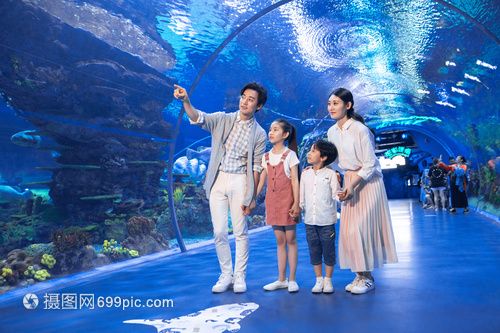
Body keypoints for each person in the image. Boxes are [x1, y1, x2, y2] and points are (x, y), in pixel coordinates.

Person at [173, 82, 267, 293]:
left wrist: (252, 196)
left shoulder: (260, 134)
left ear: (258, 106)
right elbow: (198, 117)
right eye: (243, 96)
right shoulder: (223, 119)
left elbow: (256, 166)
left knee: (241, 231)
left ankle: (240, 276)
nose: (245, 101)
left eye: (251, 99)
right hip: (218, 180)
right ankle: (226, 274)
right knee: (219, 231)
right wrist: (186, 100)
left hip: (241, 182)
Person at [326, 87, 398, 295]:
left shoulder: (360, 129)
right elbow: (335, 163)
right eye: (329, 103)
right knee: (349, 231)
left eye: (336, 103)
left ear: (348, 106)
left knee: (361, 229)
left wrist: (352, 184)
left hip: (368, 182)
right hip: (349, 179)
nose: (331, 107)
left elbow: (369, 164)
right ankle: (360, 274)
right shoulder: (331, 132)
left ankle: (367, 278)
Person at [255, 119, 301, 293]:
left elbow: (295, 181)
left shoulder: (290, 155)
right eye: (270, 129)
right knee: (279, 241)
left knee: (291, 239)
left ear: (285, 134)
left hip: (288, 202)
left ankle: (292, 279)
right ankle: (281, 279)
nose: (271, 132)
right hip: (273, 203)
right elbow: (262, 180)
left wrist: (297, 203)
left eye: (275, 129)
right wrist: (253, 197)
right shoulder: (265, 157)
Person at [300, 140, 340, 294]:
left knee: (328, 250)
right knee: (314, 249)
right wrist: (298, 207)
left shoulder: (331, 174)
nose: (309, 153)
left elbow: (336, 194)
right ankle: (318, 279)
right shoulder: (305, 174)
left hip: (327, 221)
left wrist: (343, 196)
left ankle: (328, 280)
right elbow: (301, 196)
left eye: (313, 151)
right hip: (310, 220)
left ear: (323, 157)